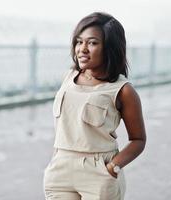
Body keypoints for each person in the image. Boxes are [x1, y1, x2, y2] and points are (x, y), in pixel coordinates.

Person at [43, 12, 146, 200]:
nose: (82, 49)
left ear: (110, 48)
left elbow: (138, 140)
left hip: (99, 174)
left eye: (92, 43)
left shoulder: (123, 90)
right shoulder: (68, 77)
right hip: (60, 172)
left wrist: (112, 168)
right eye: (79, 41)